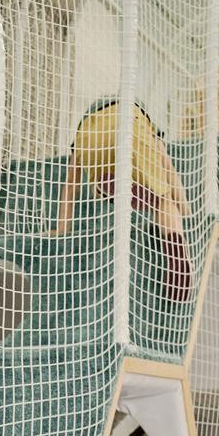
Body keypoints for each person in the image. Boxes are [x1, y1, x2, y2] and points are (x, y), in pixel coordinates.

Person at [59, 99, 192, 309]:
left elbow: (70, 185)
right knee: (163, 199)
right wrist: (185, 209)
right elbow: (167, 166)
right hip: (132, 132)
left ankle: (104, 186)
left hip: (91, 143)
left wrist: (62, 229)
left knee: (99, 178)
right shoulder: (141, 118)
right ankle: (175, 248)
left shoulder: (87, 121)